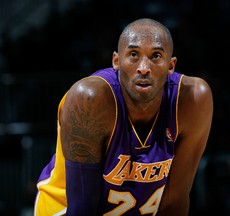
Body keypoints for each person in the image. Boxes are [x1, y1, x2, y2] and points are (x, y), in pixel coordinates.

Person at [34, 18, 213, 216]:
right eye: (134, 55)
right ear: (116, 61)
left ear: (171, 65)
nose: (144, 67)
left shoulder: (194, 99)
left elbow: (175, 202)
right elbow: (82, 207)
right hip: (65, 209)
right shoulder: (89, 99)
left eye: (155, 56)